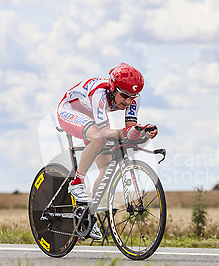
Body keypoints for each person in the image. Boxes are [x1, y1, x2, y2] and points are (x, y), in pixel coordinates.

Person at [57, 63, 158, 240]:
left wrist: (142, 132)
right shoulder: (100, 94)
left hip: (92, 117)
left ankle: (88, 217)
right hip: (70, 110)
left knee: (106, 168)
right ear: (113, 88)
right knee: (98, 138)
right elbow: (104, 133)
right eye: (124, 96)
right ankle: (77, 182)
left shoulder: (133, 98)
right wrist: (127, 133)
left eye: (132, 97)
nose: (128, 102)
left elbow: (129, 129)